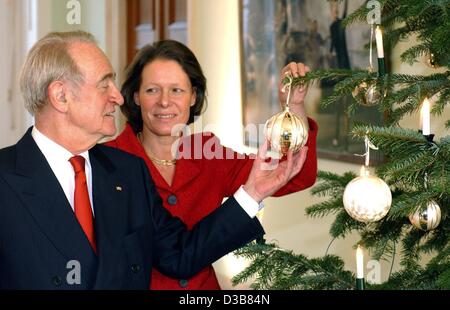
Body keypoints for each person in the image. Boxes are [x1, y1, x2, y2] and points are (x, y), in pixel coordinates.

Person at [0, 31, 308, 289]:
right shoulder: (6, 181)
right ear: (61, 96)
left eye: (177, 89)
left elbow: (180, 255)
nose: (117, 97)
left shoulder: (126, 173)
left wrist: (251, 192)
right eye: (104, 84)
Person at [105, 40, 318, 290]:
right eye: (152, 90)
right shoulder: (107, 161)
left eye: (177, 90)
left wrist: (293, 105)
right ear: (135, 96)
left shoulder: (209, 154)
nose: (165, 101)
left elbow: (296, 173)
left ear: (193, 96)